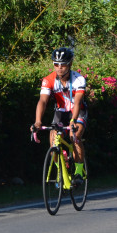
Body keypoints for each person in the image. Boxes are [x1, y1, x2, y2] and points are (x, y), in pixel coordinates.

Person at [32, 47, 87, 186]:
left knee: (75, 136)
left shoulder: (78, 79)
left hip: (77, 110)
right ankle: (61, 172)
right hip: (60, 112)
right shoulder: (48, 80)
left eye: (63, 64)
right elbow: (43, 101)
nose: (59, 68)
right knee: (53, 141)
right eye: (56, 64)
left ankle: (79, 172)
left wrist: (73, 121)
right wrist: (38, 121)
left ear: (70, 64)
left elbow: (78, 102)